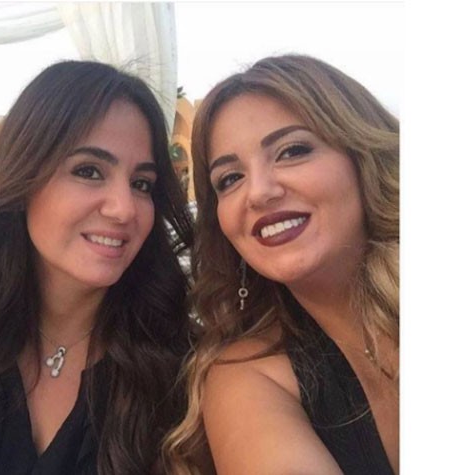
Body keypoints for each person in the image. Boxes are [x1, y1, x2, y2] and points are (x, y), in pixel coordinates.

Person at [0, 60, 195, 475]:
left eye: (142, 184)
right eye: (89, 171)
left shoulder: (176, 365)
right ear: (22, 178)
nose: (124, 209)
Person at [164, 54, 399, 474]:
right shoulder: (247, 376)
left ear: (363, 158)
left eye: (292, 151)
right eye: (230, 179)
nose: (259, 192)